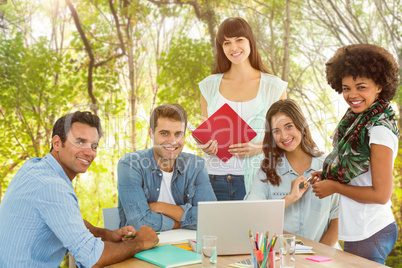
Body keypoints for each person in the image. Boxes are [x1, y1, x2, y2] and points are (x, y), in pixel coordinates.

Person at [0, 111, 159, 268]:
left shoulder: (34, 167)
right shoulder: (52, 186)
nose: (90, 152)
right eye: (80, 142)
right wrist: (141, 242)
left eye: (94, 145)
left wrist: (107, 235)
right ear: (56, 143)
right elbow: (93, 258)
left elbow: (66, 219)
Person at [312, 44, 399, 264]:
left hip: (369, 230)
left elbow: (381, 195)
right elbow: (359, 177)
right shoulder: (359, 122)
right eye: (346, 88)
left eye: (361, 87)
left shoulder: (378, 129)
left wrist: (335, 187)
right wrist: (327, 176)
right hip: (360, 229)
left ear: (379, 85)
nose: (352, 95)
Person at [198, 17, 287, 200]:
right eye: (227, 43)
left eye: (239, 40)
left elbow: (284, 138)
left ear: (250, 42)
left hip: (259, 180)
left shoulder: (274, 87)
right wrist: (205, 146)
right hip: (214, 178)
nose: (233, 48)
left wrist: (258, 147)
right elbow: (205, 134)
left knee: (255, 229)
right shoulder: (209, 86)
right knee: (215, 229)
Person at [245, 99, 339, 246]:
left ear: (301, 125)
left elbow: (337, 222)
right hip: (280, 258)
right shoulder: (266, 171)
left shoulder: (328, 166)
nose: (283, 136)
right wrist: (289, 198)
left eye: (288, 126)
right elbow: (251, 214)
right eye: (276, 131)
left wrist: (316, 260)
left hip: (320, 260)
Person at [118, 104, 216, 232]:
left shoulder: (196, 165)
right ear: (151, 133)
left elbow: (211, 218)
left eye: (178, 134)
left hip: (186, 245)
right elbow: (139, 223)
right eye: (164, 133)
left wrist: (160, 207)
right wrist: (182, 222)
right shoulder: (131, 164)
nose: (173, 141)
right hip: (142, 248)